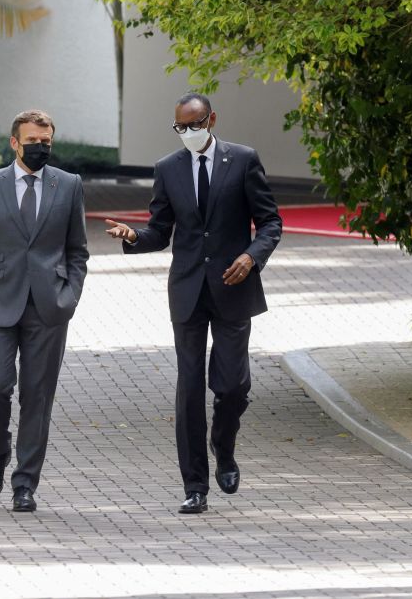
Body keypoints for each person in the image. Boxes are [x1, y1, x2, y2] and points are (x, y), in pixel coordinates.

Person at [105, 93, 282, 514]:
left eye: (194, 124)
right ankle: (195, 486)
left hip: (233, 285)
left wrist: (251, 256)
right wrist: (134, 238)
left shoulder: (242, 160)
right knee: (189, 389)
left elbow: (270, 221)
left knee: (233, 386)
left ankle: (224, 446)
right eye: (180, 128)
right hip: (187, 291)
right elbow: (159, 231)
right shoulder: (168, 169)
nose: (188, 133)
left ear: (211, 119)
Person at [0, 109, 89, 512]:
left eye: (46, 142)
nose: (40, 148)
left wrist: (70, 296)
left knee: (37, 396)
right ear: (14, 142)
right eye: (32, 141)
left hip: (49, 307)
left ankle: (25, 485)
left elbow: (78, 251)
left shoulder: (68, 185)